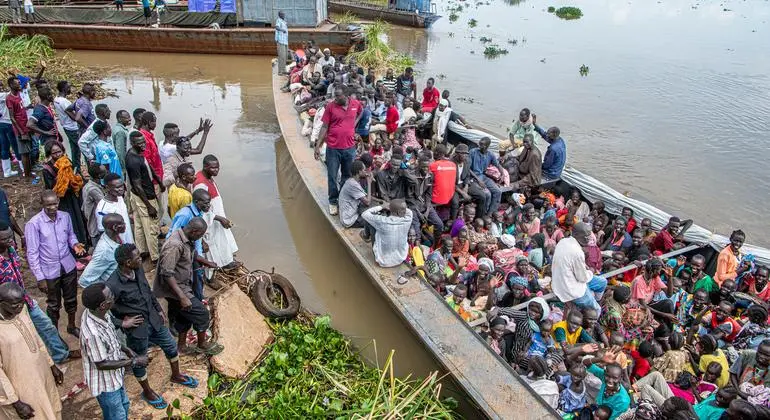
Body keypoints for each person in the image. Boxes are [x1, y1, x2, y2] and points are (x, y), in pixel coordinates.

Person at [107, 243, 200, 410]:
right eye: (137, 258)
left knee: (171, 346)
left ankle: (176, 375)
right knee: (140, 361)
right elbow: (103, 315)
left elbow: (148, 292)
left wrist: (158, 309)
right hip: (137, 330)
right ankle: (147, 391)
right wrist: (122, 323)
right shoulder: (112, 285)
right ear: (128, 262)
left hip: (154, 320)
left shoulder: (138, 270)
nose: (141, 259)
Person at [0, 220, 76, 365]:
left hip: (25, 299)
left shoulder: (11, 249)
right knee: (23, 338)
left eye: (11, 236)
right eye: (5, 239)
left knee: (46, 325)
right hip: (10, 308)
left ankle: (60, 355)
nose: (11, 240)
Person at [154, 217, 223, 355]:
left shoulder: (186, 238)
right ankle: (202, 344)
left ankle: (181, 346)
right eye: (200, 235)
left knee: (184, 315)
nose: (200, 239)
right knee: (202, 313)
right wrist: (182, 297)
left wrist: (206, 262)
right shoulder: (174, 245)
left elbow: (192, 254)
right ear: (194, 231)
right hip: (174, 288)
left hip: (183, 284)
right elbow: (166, 273)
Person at [80, 282, 148, 419]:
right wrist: (133, 361)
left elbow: (110, 336)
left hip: (115, 376)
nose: (113, 296)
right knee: (117, 415)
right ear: (103, 305)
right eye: (110, 295)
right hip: (106, 384)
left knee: (124, 405)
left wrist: (125, 348)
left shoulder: (100, 313)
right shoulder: (93, 333)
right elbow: (101, 364)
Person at [25, 190, 86, 336]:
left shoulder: (65, 217)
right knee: (53, 304)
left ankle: (71, 326)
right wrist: (40, 277)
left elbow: (71, 235)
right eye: (48, 205)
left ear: (58, 202)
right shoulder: (34, 224)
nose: (52, 208)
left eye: (55, 204)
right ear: (42, 204)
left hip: (68, 265)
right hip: (49, 270)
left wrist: (75, 244)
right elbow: (32, 253)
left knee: (71, 299)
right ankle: (55, 334)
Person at [0, 282, 64, 420]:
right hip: (21, 389)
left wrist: (51, 365)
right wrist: (15, 402)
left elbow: (35, 337)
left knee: (52, 409)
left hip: (42, 374)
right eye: (14, 304)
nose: (19, 306)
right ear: (1, 303)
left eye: (21, 302)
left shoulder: (22, 310)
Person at [313, 88, 362, 215]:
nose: (335, 99)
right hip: (333, 148)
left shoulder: (355, 104)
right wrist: (318, 146)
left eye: (338, 96)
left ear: (345, 95)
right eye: (335, 96)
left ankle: (342, 198)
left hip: (349, 148)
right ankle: (333, 201)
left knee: (347, 176)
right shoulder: (330, 107)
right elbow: (324, 126)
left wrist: (353, 125)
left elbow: (361, 113)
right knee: (332, 176)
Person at [193, 155, 239, 271]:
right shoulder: (200, 183)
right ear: (205, 167)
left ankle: (226, 262)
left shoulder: (208, 176)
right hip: (210, 220)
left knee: (222, 240)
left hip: (216, 217)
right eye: (213, 168)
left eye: (217, 167)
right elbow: (201, 207)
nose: (216, 170)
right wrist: (219, 218)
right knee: (212, 245)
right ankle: (212, 273)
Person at [551, 222, 607, 313]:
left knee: (603, 282)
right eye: (586, 237)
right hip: (570, 288)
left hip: (566, 279)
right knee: (597, 310)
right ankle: (591, 316)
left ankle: (593, 302)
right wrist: (591, 271)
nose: (589, 239)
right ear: (576, 235)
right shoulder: (577, 252)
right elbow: (582, 277)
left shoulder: (563, 241)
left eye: (590, 235)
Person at [126, 131, 163, 262]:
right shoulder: (133, 160)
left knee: (139, 224)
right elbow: (137, 185)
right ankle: (155, 257)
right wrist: (149, 206)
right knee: (151, 227)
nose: (143, 145)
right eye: (139, 143)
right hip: (145, 196)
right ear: (132, 143)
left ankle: (142, 250)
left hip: (137, 196)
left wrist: (158, 181)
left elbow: (147, 166)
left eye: (143, 142)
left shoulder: (135, 153)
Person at [360, 199, 412, 268]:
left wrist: (382, 206)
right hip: (400, 259)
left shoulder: (382, 221)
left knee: (371, 222)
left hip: (383, 262)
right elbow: (409, 211)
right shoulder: (408, 219)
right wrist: (393, 207)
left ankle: (366, 236)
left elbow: (365, 214)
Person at [79, 213, 126, 288]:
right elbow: (85, 280)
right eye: (122, 223)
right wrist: (108, 289)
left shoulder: (115, 237)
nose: (125, 224)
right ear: (115, 227)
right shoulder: (103, 251)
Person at [583, 349, 631, 420]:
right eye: (607, 376)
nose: (610, 380)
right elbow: (586, 363)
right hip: (598, 409)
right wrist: (601, 359)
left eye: (615, 378)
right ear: (605, 373)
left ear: (621, 378)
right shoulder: (603, 375)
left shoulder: (623, 401)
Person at [468, 137, 503, 217]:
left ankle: (491, 213)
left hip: (482, 177)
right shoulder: (473, 152)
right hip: (473, 177)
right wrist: (478, 180)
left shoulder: (490, 154)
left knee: (498, 191)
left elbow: (498, 165)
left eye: (482, 144)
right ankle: (484, 215)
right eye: (480, 143)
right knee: (487, 194)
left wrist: (502, 174)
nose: (480, 145)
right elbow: (468, 169)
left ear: (487, 146)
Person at [4, 76, 32, 178]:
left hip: (26, 125)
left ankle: (29, 171)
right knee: (24, 153)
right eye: (18, 83)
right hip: (20, 128)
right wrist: (21, 132)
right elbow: (12, 117)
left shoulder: (18, 94)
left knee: (28, 151)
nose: (20, 85)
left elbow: (20, 108)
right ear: (11, 85)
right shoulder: (9, 98)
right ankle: (27, 175)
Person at [96, 172, 134, 244]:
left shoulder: (120, 198)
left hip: (129, 241)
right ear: (107, 188)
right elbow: (103, 231)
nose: (121, 189)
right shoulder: (102, 209)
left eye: (122, 185)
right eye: (117, 187)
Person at [338, 160, 371, 229]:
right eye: (364, 170)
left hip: (351, 213)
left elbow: (365, 196)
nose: (366, 172)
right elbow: (368, 202)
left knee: (375, 208)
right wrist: (369, 183)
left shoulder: (352, 181)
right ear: (359, 172)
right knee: (374, 220)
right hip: (349, 220)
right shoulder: (353, 185)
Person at [533, 114, 566, 180]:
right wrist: (535, 125)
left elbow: (547, 165)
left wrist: (537, 166)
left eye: (548, 134)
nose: (547, 135)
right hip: (557, 170)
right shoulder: (560, 141)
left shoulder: (553, 149)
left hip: (550, 174)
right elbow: (544, 134)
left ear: (554, 135)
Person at [82, 163, 106, 246]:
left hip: (93, 224)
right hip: (96, 227)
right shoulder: (93, 190)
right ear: (99, 175)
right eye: (104, 172)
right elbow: (105, 204)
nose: (106, 172)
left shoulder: (88, 186)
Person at [112, 110, 131, 176]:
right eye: (127, 117)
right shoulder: (120, 131)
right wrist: (124, 168)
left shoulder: (119, 128)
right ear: (120, 119)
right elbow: (120, 152)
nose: (130, 119)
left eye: (129, 117)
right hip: (124, 164)